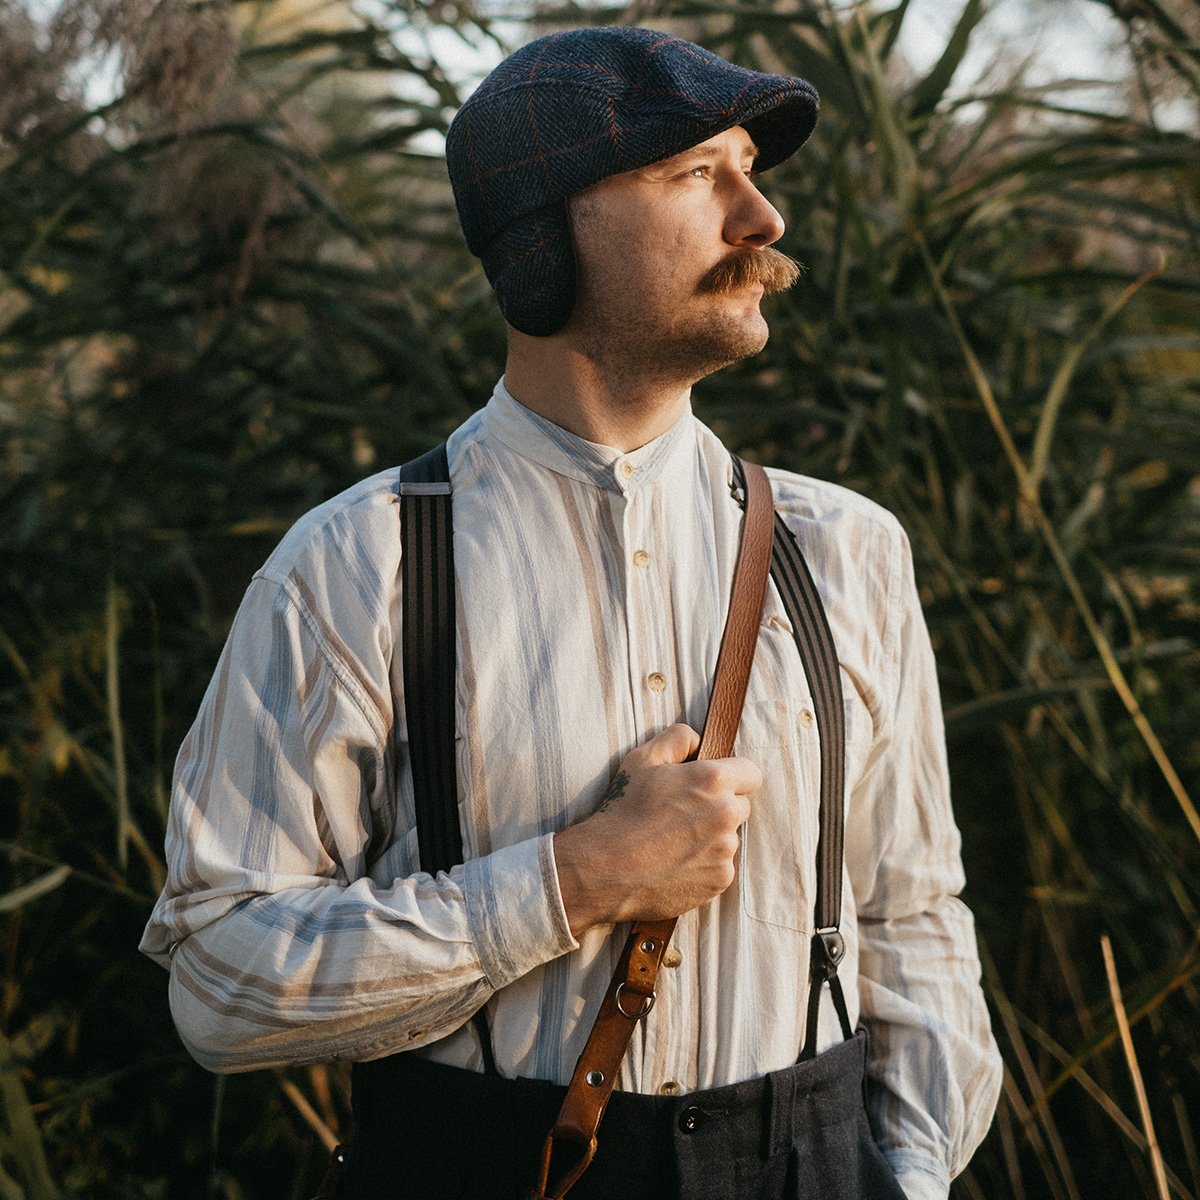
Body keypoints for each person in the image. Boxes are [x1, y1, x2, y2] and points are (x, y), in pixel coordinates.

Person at [141, 26, 1002, 1200]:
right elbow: (219, 979)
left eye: (751, 168)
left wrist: (908, 1176)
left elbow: (912, 917)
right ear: (544, 235)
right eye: (700, 174)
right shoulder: (353, 570)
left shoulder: (849, 553)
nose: (763, 218)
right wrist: (573, 883)